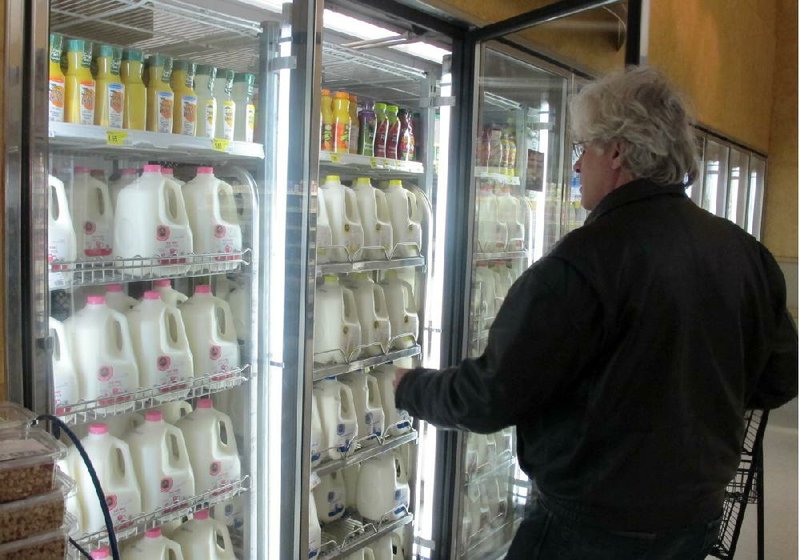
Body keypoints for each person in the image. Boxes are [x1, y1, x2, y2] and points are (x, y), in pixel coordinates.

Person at [394, 66, 798, 559]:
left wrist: (410, 387)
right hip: (693, 520)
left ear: (618, 151)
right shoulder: (744, 253)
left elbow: (492, 396)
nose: (578, 165)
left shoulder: (583, 263)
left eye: (583, 148)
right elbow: (779, 379)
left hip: (590, 531)